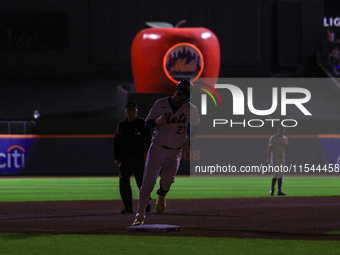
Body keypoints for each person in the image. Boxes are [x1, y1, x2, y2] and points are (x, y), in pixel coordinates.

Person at [132, 79, 200, 226]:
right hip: (157, 148)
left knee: (168, 180)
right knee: (148, 183)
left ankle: (162, 194)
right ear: (175, 89)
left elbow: (197, 124)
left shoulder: (190, 109)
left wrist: (191, 139)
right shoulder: (161, 103)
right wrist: (157, 121)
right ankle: (140, 216)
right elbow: (147, 123)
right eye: (179, 92)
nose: (179, 95)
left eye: (182, 94)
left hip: (175, 151)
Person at [114, 102, 152, 214]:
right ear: (126, 111)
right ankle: (128, 207)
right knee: (124, 182)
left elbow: (148, 141)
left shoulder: (142, 123)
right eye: (129, 110)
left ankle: (146, 203)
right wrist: (116, 157)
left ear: (136, 111)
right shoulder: (122, 125)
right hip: (125, 158)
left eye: (133, 110)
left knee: (141, 182)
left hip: (138, 157)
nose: (131, 112)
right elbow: (117, 142)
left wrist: (146, 153)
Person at [266, 125, 290, 196]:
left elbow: (285, 149)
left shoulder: (285, 138)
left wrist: (288, 147)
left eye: (283, 130)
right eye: (281, 130)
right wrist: (268, 159)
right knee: (276, 173)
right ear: (278, 130)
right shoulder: (273, 138)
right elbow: (269, 149)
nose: (282, 131)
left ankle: (279, 190)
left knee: (281, 174)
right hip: (275, 157)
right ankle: (272, 189)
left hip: (282, 157)